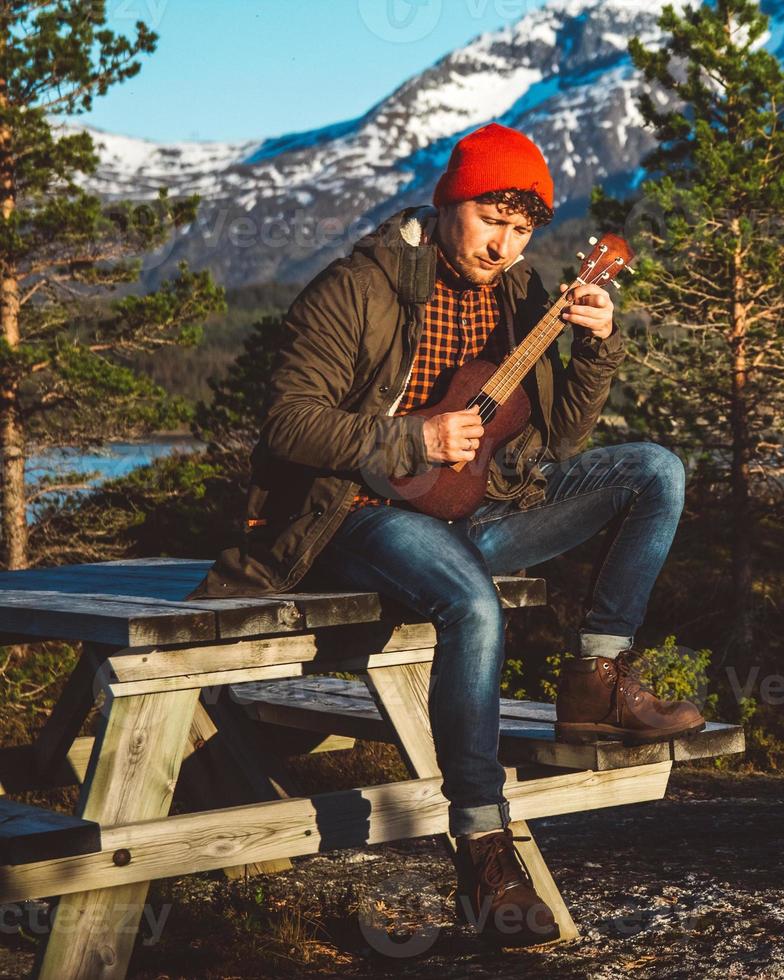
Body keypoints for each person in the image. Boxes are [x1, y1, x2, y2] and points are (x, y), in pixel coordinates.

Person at [186, 122, 705, 948]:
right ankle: (481, 848)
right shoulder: (360, 287)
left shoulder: (522, 295)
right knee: (474, 604)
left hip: (475, 511)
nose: (503, 244)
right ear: (448, 203)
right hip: (354, 517)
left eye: (522, 228)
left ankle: (596, 677)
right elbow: (287, 423)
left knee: (655, 471)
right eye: (489, 220)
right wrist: (414, 441)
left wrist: (597, 348)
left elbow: (562, 440)